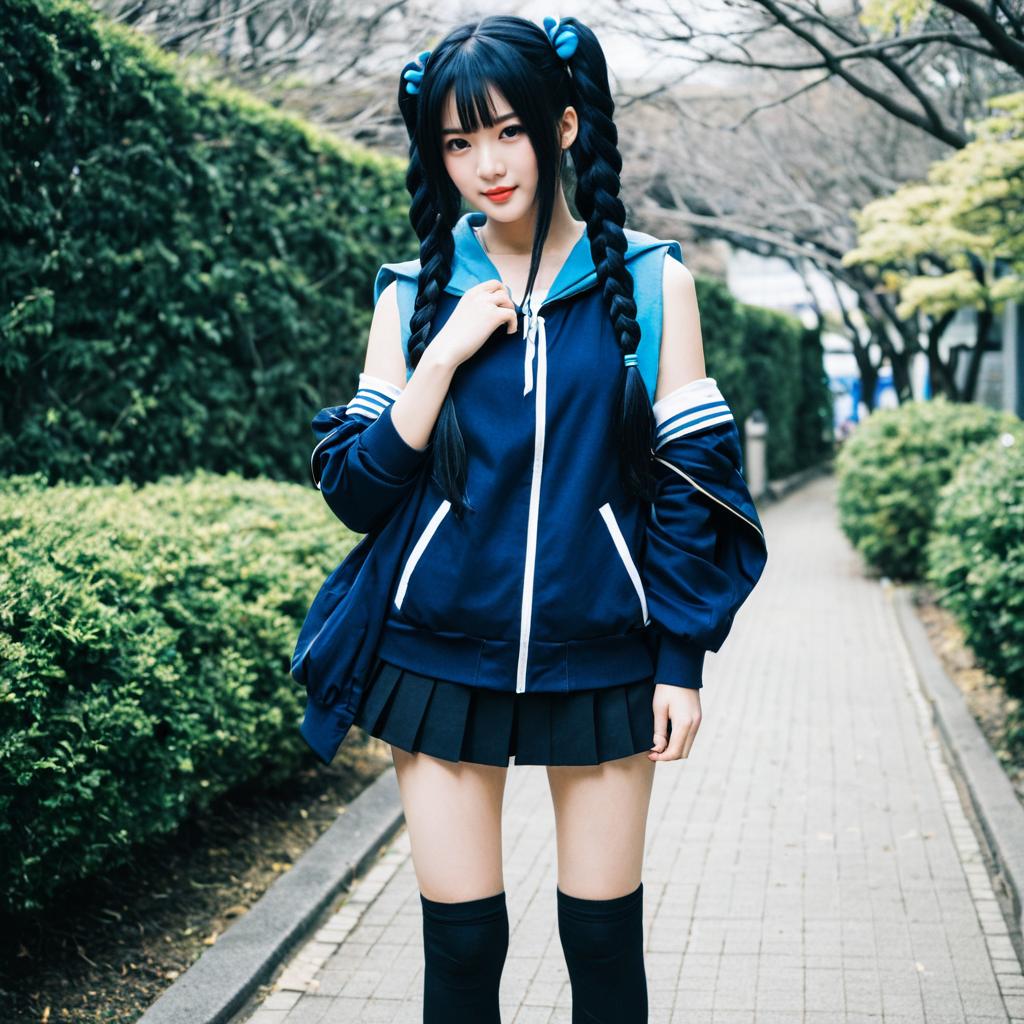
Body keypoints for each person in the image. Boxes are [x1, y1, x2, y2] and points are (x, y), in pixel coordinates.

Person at [303, 15, 769, 1023]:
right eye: (456, 144)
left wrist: (680, 661)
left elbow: (692, 488)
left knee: (601, 947)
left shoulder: (650, 282)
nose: (484, 165)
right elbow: (356, 490)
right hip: (435, 658)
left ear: (562, 126)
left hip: (601, 654)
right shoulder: (410, 296)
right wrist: (440, 355)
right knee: (462, 954)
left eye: (505, 132)